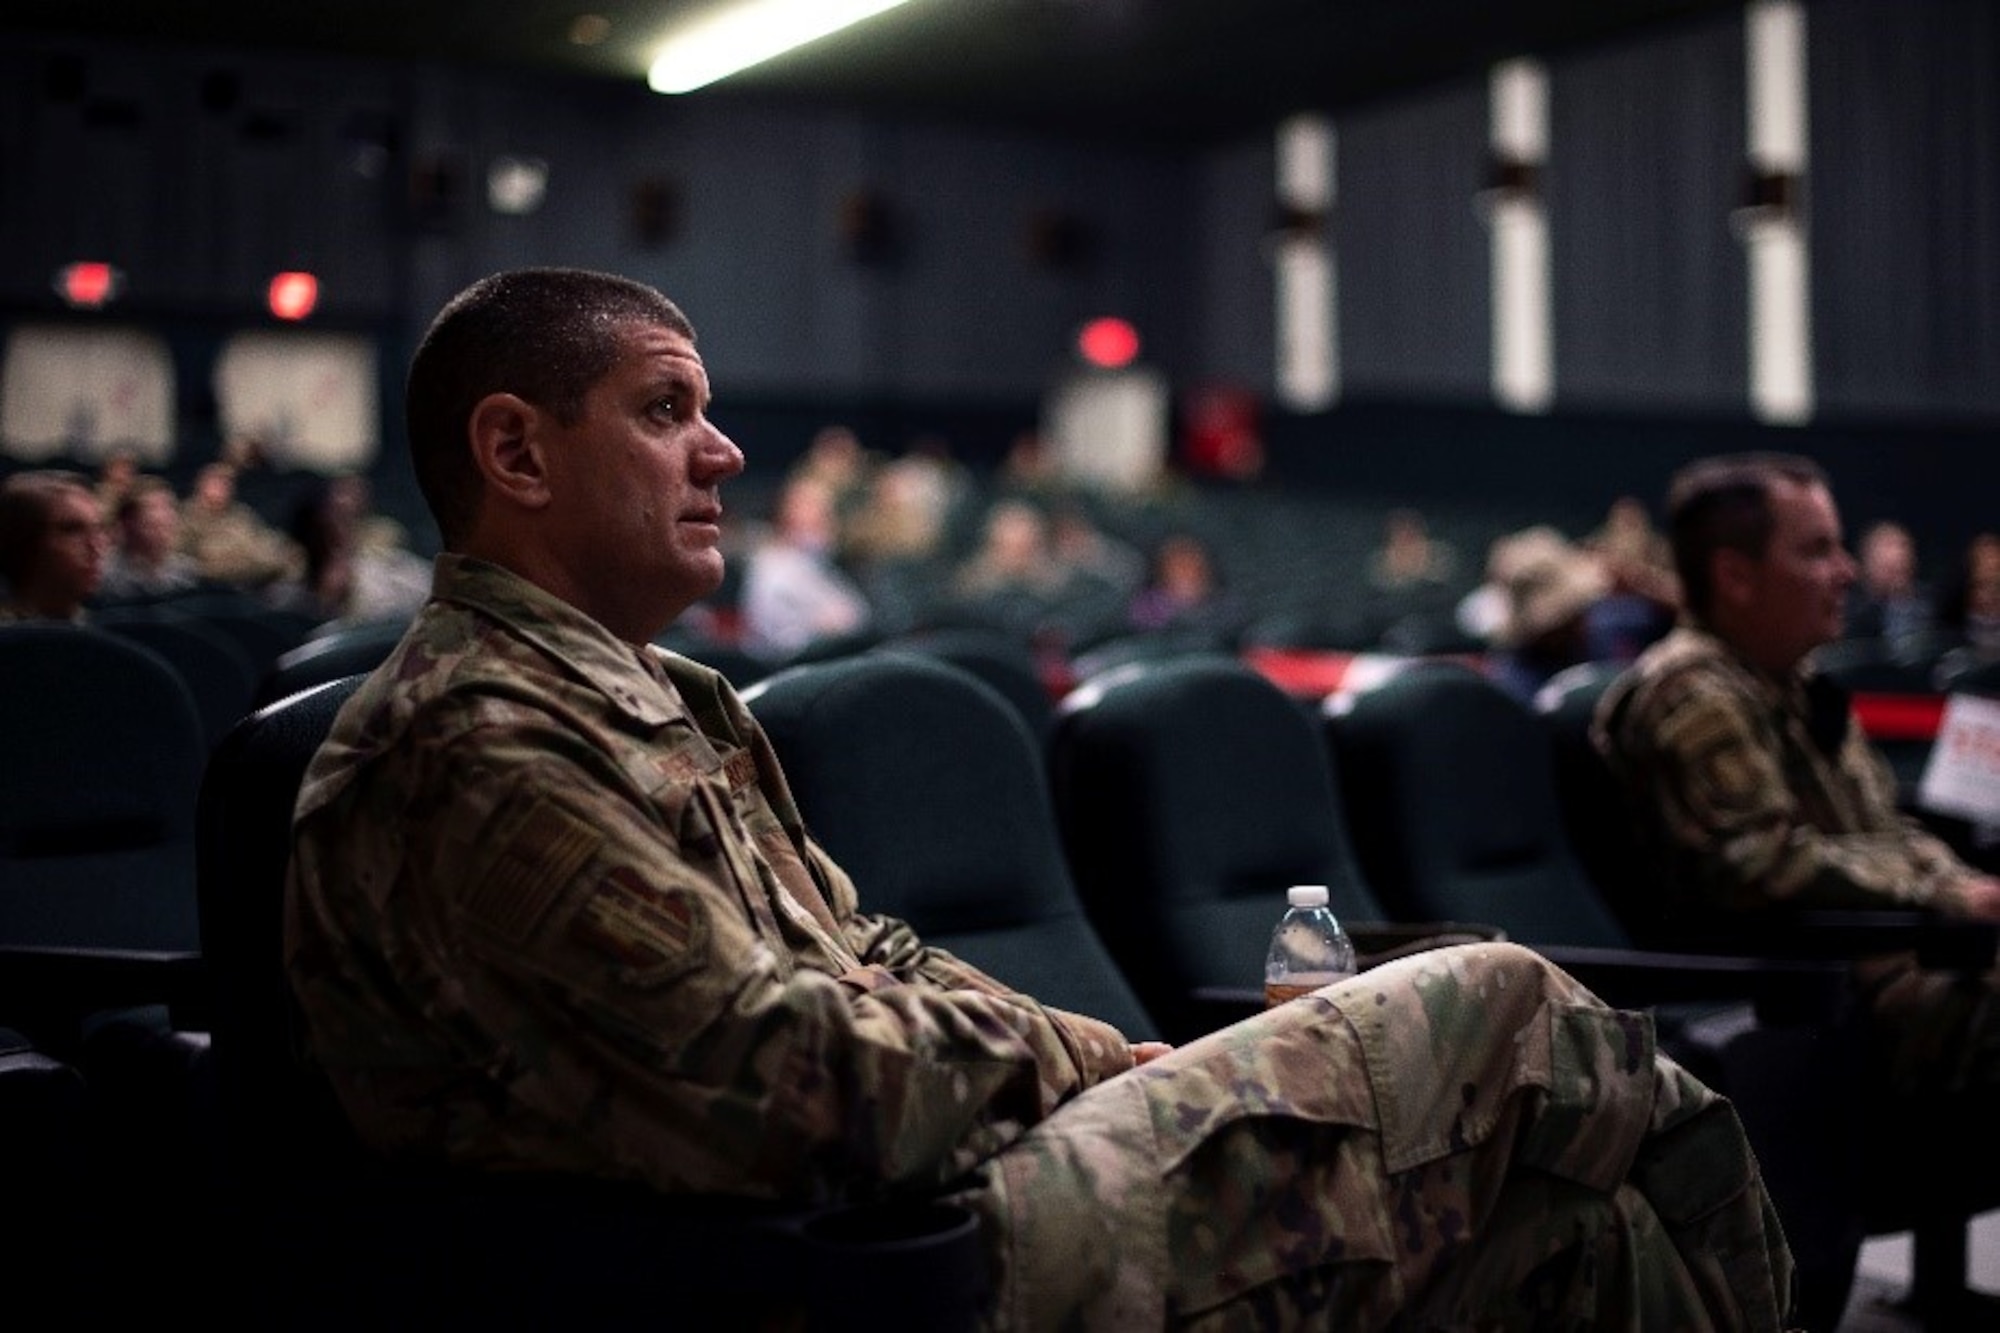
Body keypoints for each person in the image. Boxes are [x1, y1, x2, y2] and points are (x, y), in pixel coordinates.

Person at [286, 269, 1793, 1330]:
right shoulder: (470, 746)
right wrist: (1076, 1053)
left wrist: (1100, 1062)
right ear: (514, 450)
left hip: (937, 1193)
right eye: (667, 407)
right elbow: (780, 1072)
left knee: (1569, 1233)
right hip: (824, 1264)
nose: (723, 450)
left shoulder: (668, 699)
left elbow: (863, 951)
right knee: (1498, 1005)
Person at [1593, 453, 2000, 1312]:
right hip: (1823, 994)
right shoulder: (1692, 692)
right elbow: (1758, 862)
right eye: (1817, 549)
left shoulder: (1792, 685)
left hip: (1889, 975)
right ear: (1735, 575)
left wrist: (1959, 884)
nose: (1846, 570)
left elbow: (1887, 834)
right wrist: (1944, 897)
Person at [739, 474, 872, 660]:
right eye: (819, 519)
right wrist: (826, 628)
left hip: (833, 660)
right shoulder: (772, 569)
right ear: (788, 520)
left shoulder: (818, 565)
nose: (830, 526)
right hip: (786, 670)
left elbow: (858, 616)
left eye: (829, 517)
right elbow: (779, 641)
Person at [0, 470, 109, 622]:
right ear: (22, 542)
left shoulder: (111, 635)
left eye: (99, 529)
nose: (96, 546)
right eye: (72, 530)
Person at [98, 476, 200, 601]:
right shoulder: (102, 574)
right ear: (128, 521)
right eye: (153, 507)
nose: (166, 517)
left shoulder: (186, 574)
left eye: (169, 507)